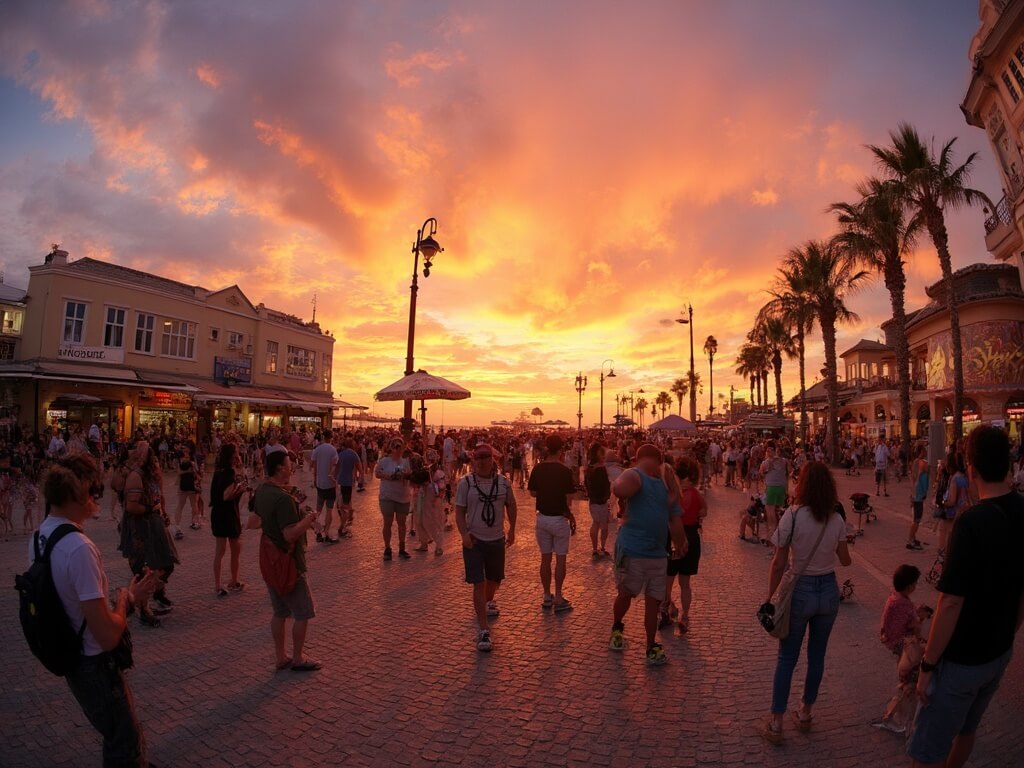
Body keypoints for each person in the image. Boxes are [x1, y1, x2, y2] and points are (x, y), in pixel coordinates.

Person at [908, 426, 1024, 768]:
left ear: (970, 468)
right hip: (999, 653)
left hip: (963, 660)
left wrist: (928, 665)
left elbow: (951, 602)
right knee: (967, 731)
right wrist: (1010, 630)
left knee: (927, 750)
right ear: (1008, 463)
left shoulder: (972, 523)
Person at [34, 453, 159, 767]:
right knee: (124, 746)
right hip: (95, 665)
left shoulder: (42, 535)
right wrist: (128, 598)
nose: (96, 498)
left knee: (121, 737)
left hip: (71, 656)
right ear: (79, 493)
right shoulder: (79, 548)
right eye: (94, 491)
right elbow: (105, 635)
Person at [763, 461, 852, 745]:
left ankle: (776, 723)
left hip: (799, 591)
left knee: (787, 658)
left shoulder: (792, 515)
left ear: (801, 484)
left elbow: (778, 563)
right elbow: (846, 560)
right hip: (827, 590)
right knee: (817, 656)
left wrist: (770, 598)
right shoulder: (835, 519)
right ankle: (805, 713)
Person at [609, 443, 688, 666]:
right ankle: (617, 627)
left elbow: (675, 520)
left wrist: (681, 543)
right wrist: (628, 478)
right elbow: (620, 489)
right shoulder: (635, 476)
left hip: (657, 554)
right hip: (632, 550)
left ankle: (650, 645)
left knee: (653, 602)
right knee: (626, 594)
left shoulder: (665, 488)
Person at [246, 450, 321, 672]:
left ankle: (280, 656)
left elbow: (257, 520)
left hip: (270, 560)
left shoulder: (262, 491)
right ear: (280, 468)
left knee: (279, 612)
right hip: (288, 562)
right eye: (289, 464)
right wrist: (308, 520)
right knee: (303, 612)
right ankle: (297, 657)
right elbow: (290, 534)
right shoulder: (283, 499)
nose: (292, 467)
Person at [455, 443, 517, 652]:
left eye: (485, 457)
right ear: (473, 460)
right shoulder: (466, 484)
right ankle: (483, 629)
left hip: (496, 539)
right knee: (478, 583)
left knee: (495, 579)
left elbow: (512, 504)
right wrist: (464, 534)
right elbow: (459, 511)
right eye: (478, 457)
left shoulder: (503, 484)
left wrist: (512, 530)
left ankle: (487, 602)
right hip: (474, 540)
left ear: (493, 460)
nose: (481, 461)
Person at [121, 441, 179, 628]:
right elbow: (131, 506)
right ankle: (143, 609)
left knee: (166, 563)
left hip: (155, 523)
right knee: (144, 569)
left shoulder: (151, 475)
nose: (154, 460)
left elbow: (159, 496)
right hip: (140, 527)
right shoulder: (135, 476)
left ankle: (154, 596)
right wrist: (150, 509)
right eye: (151, 457)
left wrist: (163, 511)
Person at [873, 564, 930, 734]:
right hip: (905, 647)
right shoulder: (905, 604)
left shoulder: (894, 598)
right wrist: (922, 617)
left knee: (906, 678)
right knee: (909, 680)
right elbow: (914, 627)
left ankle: (896, 713)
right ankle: (897, 718)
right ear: (910, 586)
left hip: (893, 642)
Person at [527, 434, 577, 612]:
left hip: (542, 518)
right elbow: (569, 498)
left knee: (545, 558)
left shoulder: (538, 469)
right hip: (559, 518)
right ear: (561, 449)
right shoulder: (565, 471)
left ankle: (546, 595)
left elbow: (532, 493)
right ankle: (558, 595)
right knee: (561, 558)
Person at [662, 456, 707, 635]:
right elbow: (704, 510)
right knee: (684, 583)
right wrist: (698, 515)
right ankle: (685, 616)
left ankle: (669, 609)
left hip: (673, 536)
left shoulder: (671, 494)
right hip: (691, 538)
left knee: (668, 579)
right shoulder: (697, 494)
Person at [210, 443, 247, 597]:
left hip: (218, 513)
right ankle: (234, 580)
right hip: (229, 513)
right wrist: (240, 490)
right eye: (237, 453)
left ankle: (218, 584)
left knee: (220, 551)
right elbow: (227, 495)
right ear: (232, 456)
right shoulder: (230, 473)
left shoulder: (218, 471)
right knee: (235, 549)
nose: (239, 455)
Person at [375, 438, 412, 560]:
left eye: (400, 446)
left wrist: (406, 475)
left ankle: (402, 548)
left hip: (403, 497)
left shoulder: (406, 462)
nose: (398, 449)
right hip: (387, 496)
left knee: (402, 523)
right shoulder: (384, 461)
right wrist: (387, 476)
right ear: (391, 448)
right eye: (395, 446)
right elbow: (377, 473)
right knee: (388, 523)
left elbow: (411, 475)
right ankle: (387, 548)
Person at [310, 435, 339, 544]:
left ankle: (318, 531)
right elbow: (334, 465)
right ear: (331, 438)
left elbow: (313, 464)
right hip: (329, 483)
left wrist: (315, 477)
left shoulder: (317, 449)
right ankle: (326, 533)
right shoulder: (333, 450)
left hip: (319, 483)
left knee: (318, 509)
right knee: (329, 510)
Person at [585, 443, 612, 559]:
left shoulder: (589, 468)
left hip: (593, 500)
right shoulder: (601, 469)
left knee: (595, 523)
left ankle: (595, 549)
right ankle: (602, 547)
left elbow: (587, 484)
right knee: (603, 525)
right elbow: (606, 485)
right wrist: (608, 496)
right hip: (602, 500)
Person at [172, 445, 201, 539]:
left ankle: (186, 523)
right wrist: (190, 471)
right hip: (189, 485)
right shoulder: (190, 462)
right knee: (189, 504)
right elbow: (193, 472)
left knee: (186, 504)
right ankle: (192, 522)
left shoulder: (180, 461)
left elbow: (179, 472)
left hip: (184, 485)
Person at [760, 441, 789, 535]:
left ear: (768, 450)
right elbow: (789, 471)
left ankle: (773, 532)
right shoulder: (784, 461)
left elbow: (761, 473)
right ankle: (780, 530)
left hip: (771, 488)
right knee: (779, 510)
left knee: (770, 510)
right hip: (782, 488)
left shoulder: (766, 462)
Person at [334, 438, 362, 538]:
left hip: (341, 481)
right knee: (346, 500)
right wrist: (360, 478)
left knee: (342, 505)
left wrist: (334, 477)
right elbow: (360, 467)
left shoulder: (341, 454)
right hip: (349, 481)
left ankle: (343, 525)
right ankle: (349, 513)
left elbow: (336, 467)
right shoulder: (354, 454)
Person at [907, 445, 930, 551]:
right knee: (916, 519)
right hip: (918, 495)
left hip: (915, 494)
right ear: (921, 451)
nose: (926, 452)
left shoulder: (915, 462)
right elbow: (922, 480)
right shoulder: (922, 463)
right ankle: (910, 540)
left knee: (915, 518)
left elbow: (913, 479)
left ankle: (913, 538)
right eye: (924, 450)